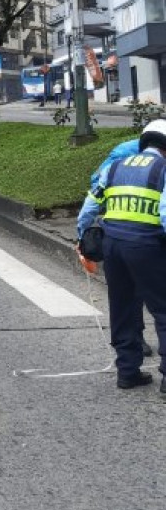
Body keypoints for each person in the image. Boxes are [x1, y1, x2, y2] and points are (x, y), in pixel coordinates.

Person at [76, 120, 166, 395]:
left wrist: (83, 239)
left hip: (113, 246)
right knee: (163, 311)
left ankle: (127, 372)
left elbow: (88, 209)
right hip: (147, 246)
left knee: (123, 308)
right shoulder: (163, 169)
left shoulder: (114, 167)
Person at [88, 137, 155, 358]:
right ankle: (137, 339)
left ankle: (129, 360)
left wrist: (84, 235)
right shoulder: (134, 157)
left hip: (118, 229)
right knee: (137, 291)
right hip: (136, 230)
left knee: (127, 294)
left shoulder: (129, 151)